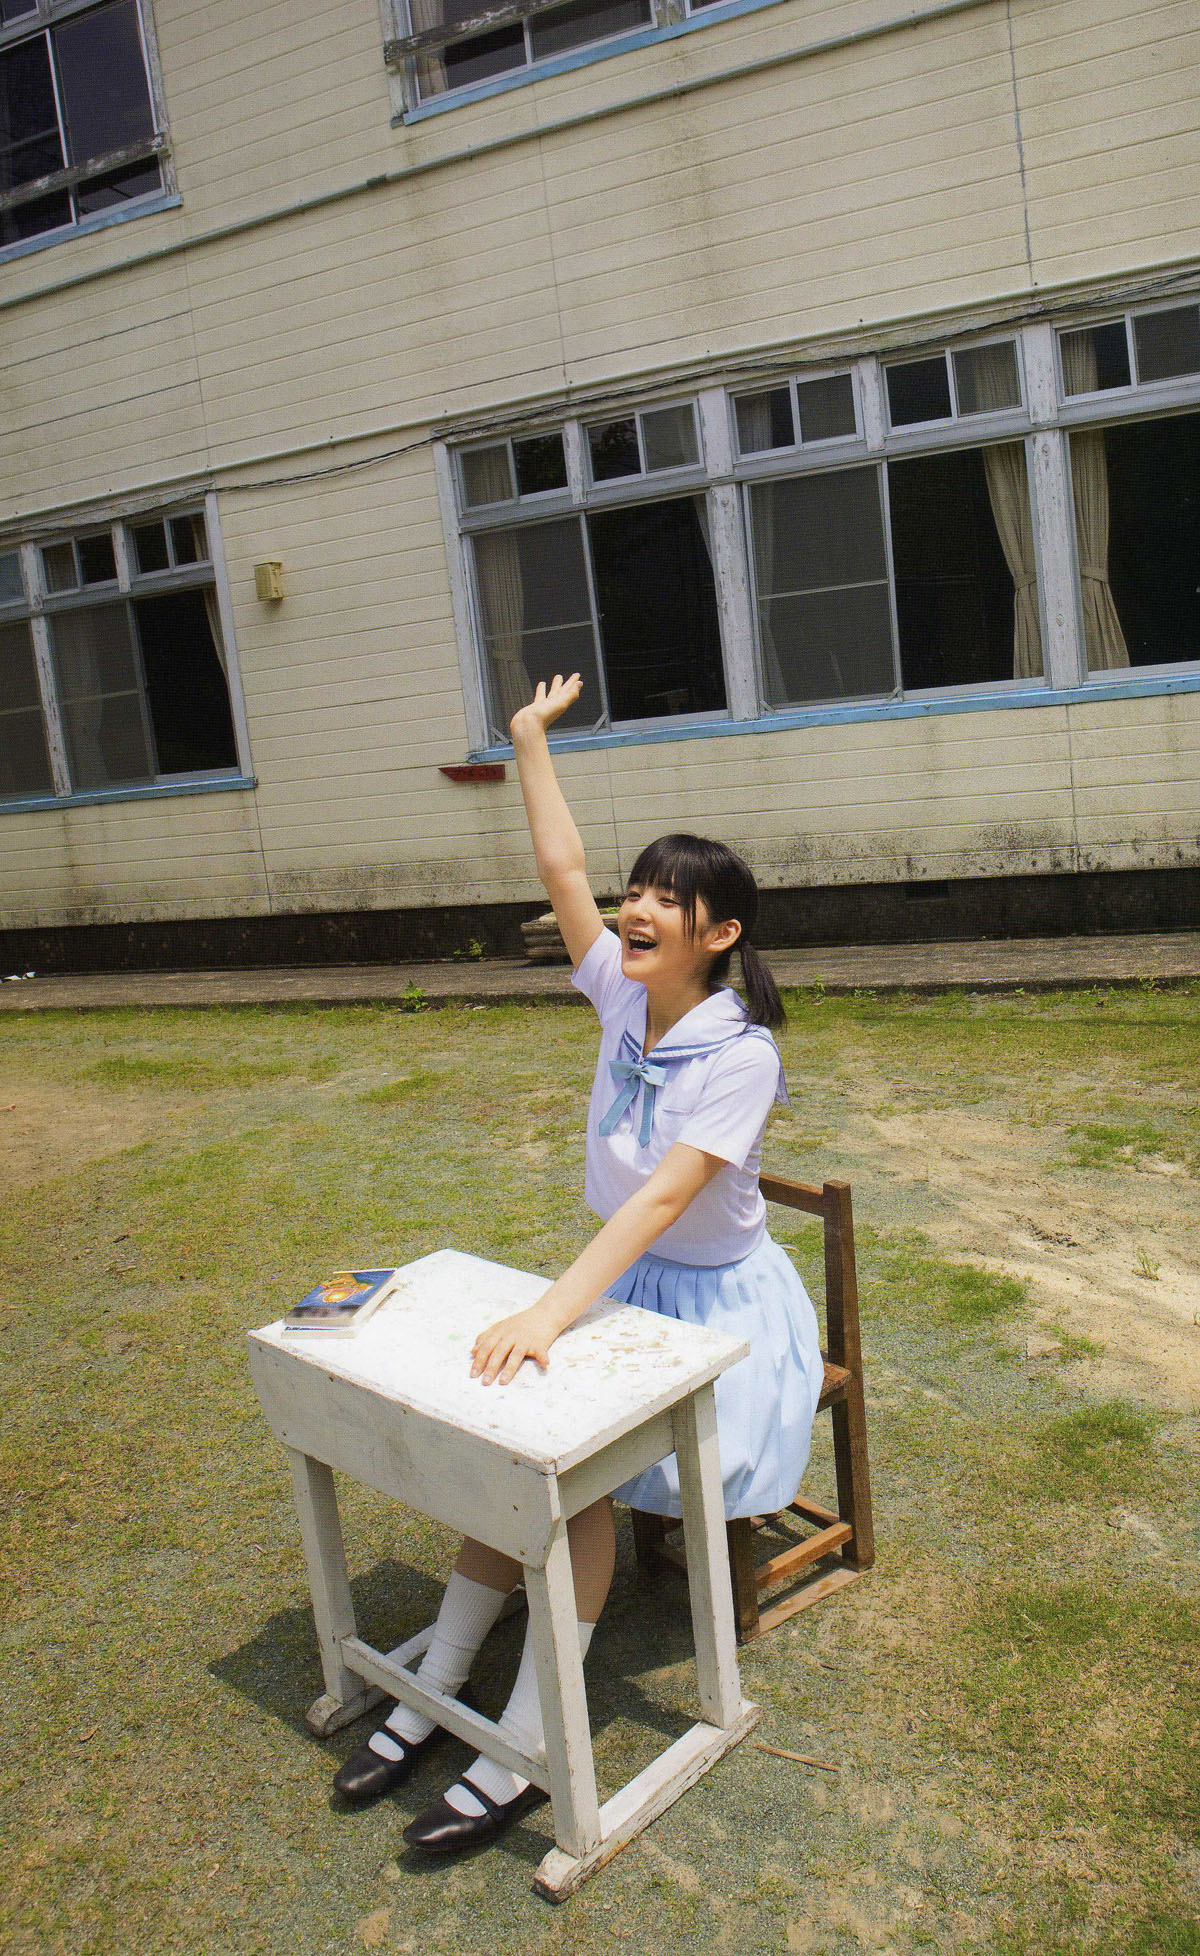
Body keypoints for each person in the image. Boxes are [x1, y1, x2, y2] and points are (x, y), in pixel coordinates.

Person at [332, 672, 824, 1855]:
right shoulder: (617, 988)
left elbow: (661, 1202)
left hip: (720, 1318)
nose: (634, 908)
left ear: (721, 934)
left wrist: (551, 1313)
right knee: (515, 1450)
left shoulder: (742, 1055)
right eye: (635, 890)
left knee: (569, 1476)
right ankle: (436, 1684)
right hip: (622, 1285)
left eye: (667, 899)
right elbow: (560, 867)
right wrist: (526, 742)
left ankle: (528, 1735)